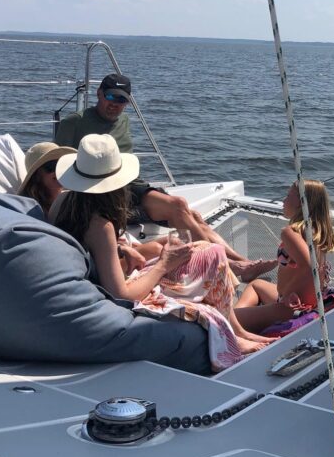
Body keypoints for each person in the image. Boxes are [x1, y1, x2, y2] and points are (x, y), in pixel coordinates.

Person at [50, 134, 271, 370]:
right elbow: (121, 295)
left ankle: (237, 329)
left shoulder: (63, 203)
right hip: (114, 292)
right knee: (211, 255)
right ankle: (234, 335)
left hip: (99, 278)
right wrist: (164, 264)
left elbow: (86, 248)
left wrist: (122, 248)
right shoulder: (100, 226)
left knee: (208, 250)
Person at [54, 73, 274, 282]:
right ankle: (234, 266)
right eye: (111, 96)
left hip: (129, 186)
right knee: (180, 208)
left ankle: (243, 263)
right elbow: (58, 168)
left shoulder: (123, 120)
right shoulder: (74, 123)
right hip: (103, 193)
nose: (115, 104)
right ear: (99, 93)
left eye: (122, 100)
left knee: (189, 212)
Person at [235, 180, 334, 334]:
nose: (283, 200)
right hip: (309, 303)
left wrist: (287, 295)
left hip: (289, 308)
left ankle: (240, 320)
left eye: (288, 196)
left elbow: (310, 266)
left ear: (301, 203)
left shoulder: (290, 232)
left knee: (226, 320)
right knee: (256, 284)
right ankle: (244, 314)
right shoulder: (314, 231)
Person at [17, 141, 76, 215]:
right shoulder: (28, 208)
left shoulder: (72, 199)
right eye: (51, 166)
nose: (58, 170)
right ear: (37, 175)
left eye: (61, 164)